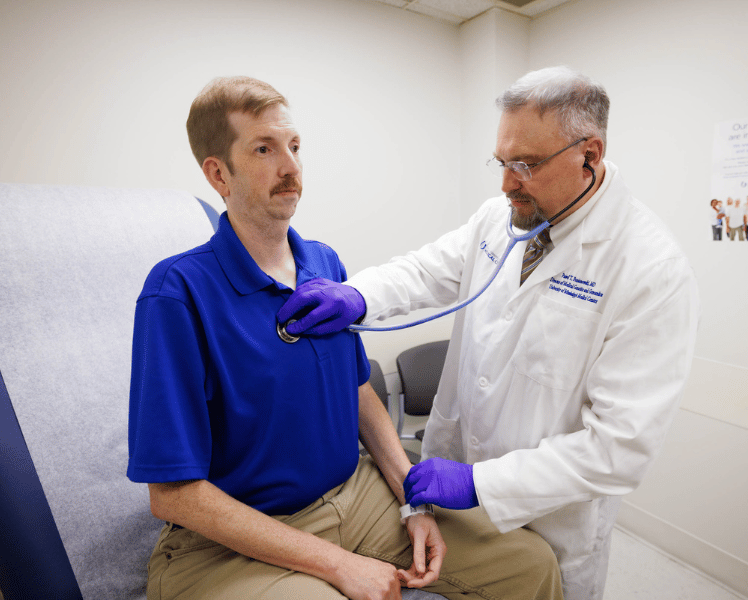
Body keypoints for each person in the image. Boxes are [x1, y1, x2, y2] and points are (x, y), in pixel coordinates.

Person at [126, 76, 562, 600]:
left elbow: (357, 393)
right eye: (264, 149)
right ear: (218, 172)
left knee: (528, 564)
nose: (290, 168)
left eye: (294, 147)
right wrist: (337, 564)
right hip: (232, 539)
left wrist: (411, 501)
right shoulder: (178, 292)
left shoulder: (323, 265)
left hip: (354, 498)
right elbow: (173, 495)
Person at [278, 66, 700, 600]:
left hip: (549, 515)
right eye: (501, 162)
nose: (506, 184)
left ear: (589, 154)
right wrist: (359, 295)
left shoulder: (650, 270)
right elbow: (427, 271)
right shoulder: (502, 218)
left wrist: (481, 484)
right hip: (454, 493)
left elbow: (620, 448)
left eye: (524, 165)